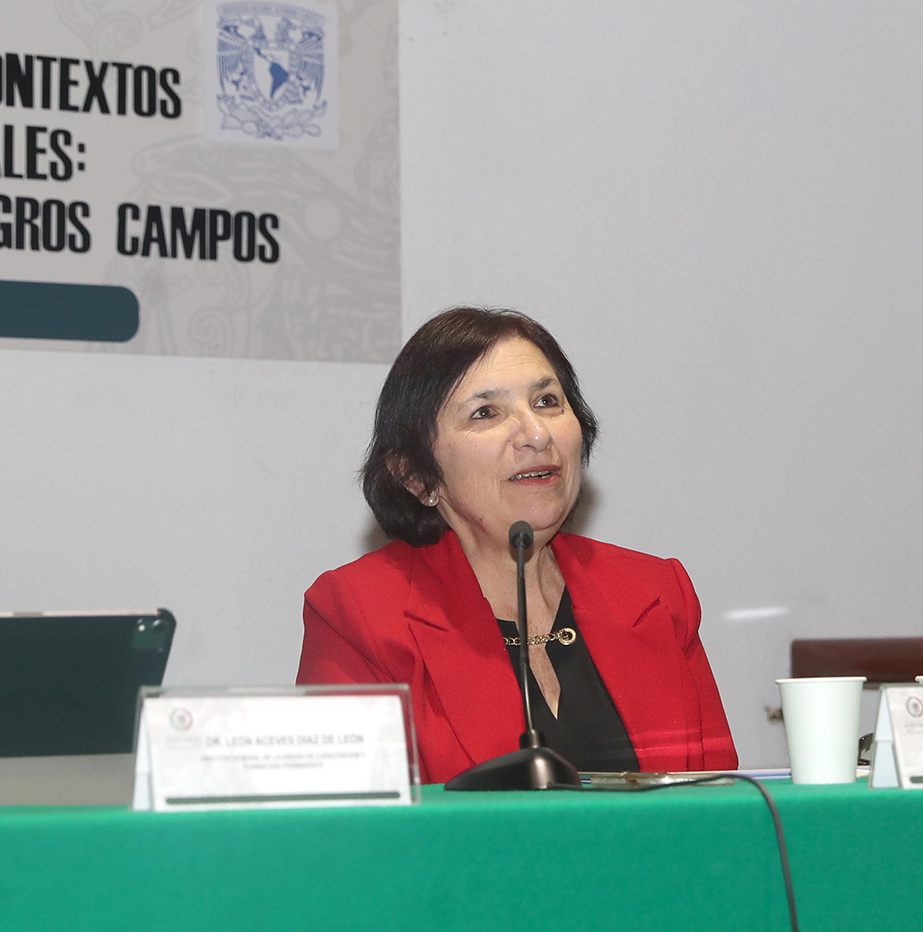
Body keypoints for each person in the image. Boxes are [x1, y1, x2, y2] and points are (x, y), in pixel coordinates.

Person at [297, 307, 737, 782]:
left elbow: (722, 808)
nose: (537, 434)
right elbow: (349, 819)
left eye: (547, 402)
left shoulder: (656, 593)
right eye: (485, 412)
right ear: (417, 476)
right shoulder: (360, 614)